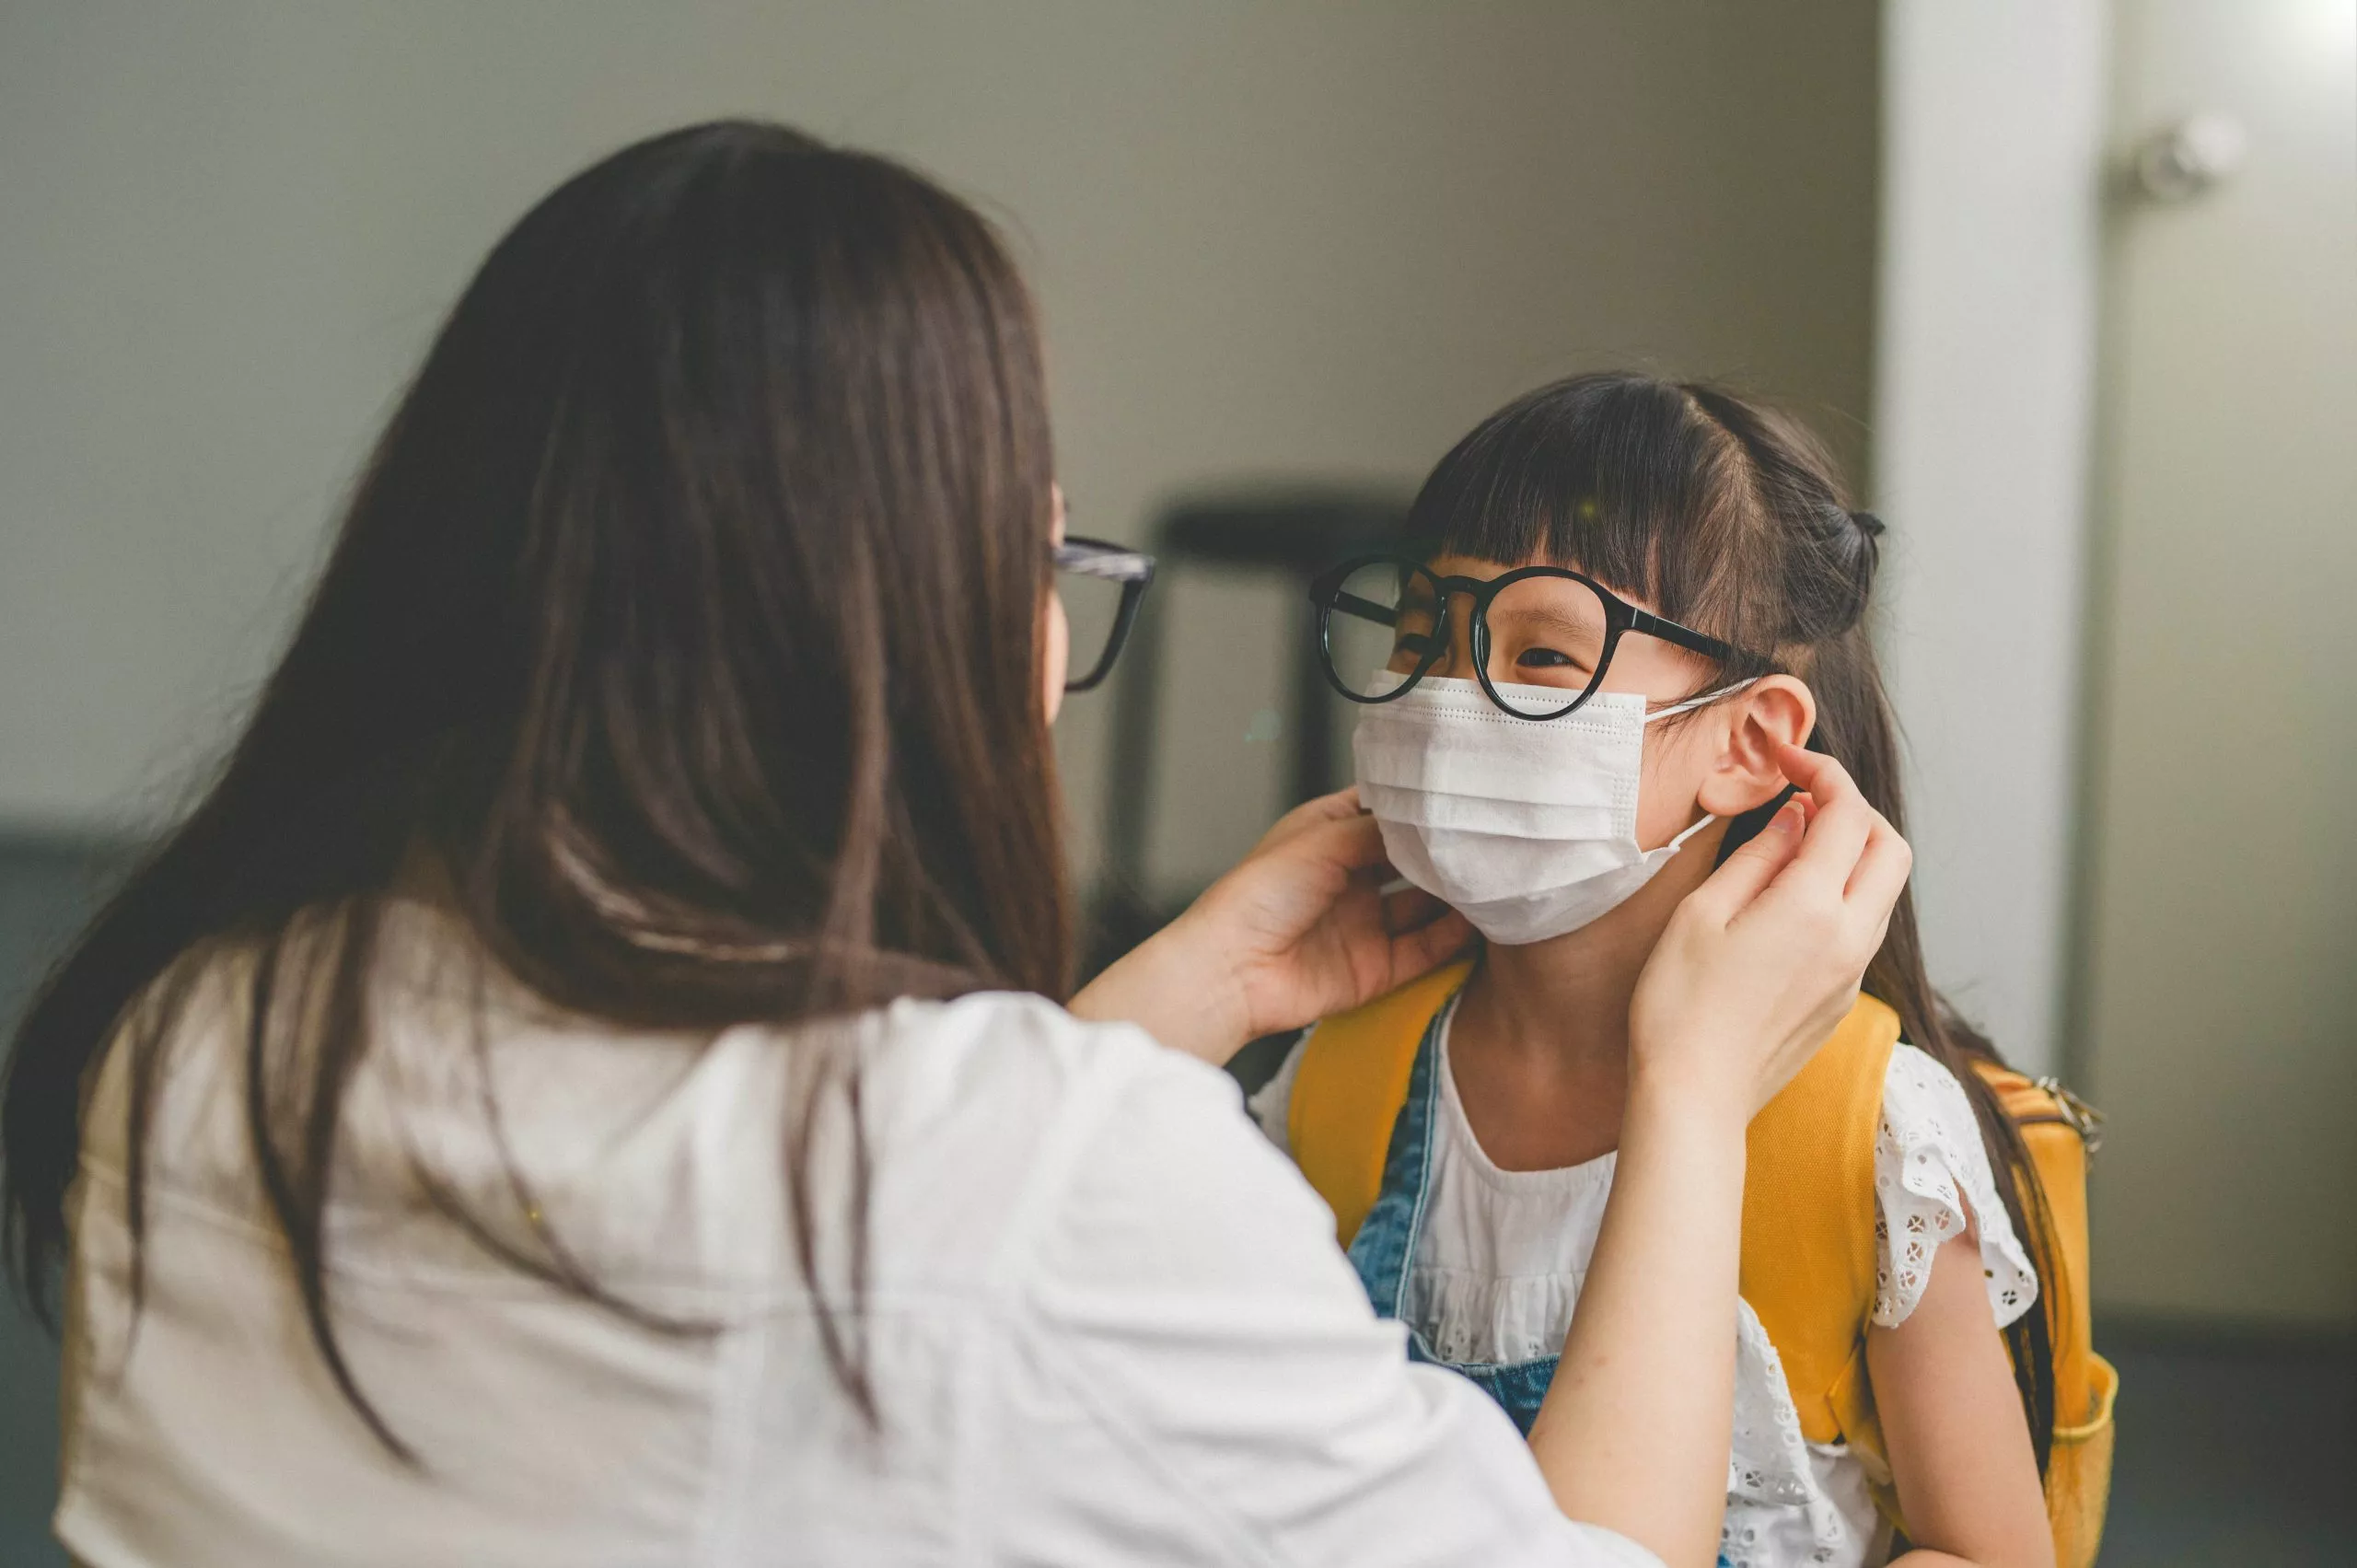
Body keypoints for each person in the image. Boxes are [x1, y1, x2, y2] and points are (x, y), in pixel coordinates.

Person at [0, 124, 1908, 1568]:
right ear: (901, 625)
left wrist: (1158, 1012)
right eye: (1040, 555)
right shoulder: (1042, 1183)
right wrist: (1687, 1093)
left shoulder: (191, 1029)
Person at [1260, 374, 2063, 1568]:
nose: (1443, 696)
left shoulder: (1868, 1128)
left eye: (1541, 654)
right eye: (1424, 633)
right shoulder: (1346, 1067)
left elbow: (1995, 1550)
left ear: (1748, 743)